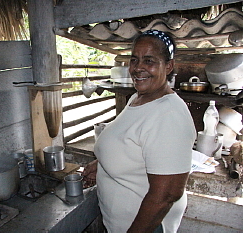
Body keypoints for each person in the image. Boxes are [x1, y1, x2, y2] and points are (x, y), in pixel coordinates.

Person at [82, 29, 196, 233]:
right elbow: (132, 145)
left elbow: (166, 194)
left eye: (149, 61)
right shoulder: (139, 97)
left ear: (168, 66)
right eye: (134, 60)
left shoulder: (168, 114)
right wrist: (102, 162)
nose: (138, 68)